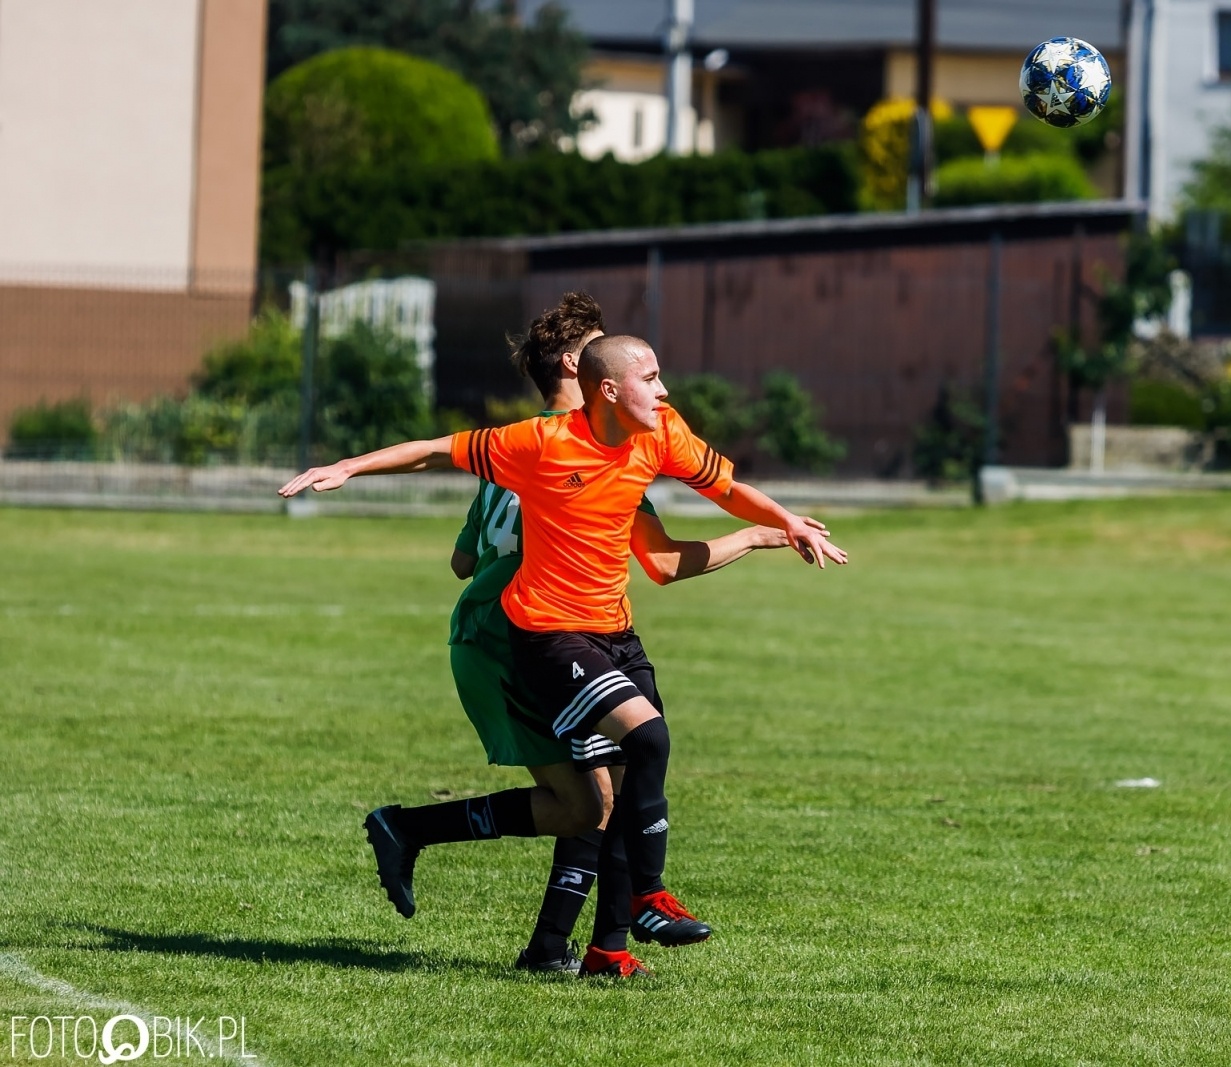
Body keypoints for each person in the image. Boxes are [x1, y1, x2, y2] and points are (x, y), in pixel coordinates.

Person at [278, 332, 846, 974]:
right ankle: (642, 897)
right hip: (546, 635)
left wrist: (785, 521)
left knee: (610, 791)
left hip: (613, 632)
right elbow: (439, 452)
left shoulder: (659, 432)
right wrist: (348, 467)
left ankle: (605, 950)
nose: (664, 391)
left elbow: (723, 487)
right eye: (652, 377)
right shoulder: (540, 443)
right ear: (603, 384)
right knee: (644, 744)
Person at [444, 294, 788, 978]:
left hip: (490, 632)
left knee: (601, 790)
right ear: (585, 368)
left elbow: (463, 560)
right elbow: (659, 562)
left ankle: (590, 946)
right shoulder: (601, 450)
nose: (652, 385)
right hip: (547, 637)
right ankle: (594, 930)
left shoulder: (514, 446)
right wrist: (751, 534)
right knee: (598, 793)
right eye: (629, 364)